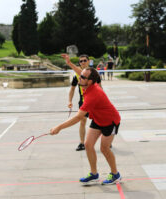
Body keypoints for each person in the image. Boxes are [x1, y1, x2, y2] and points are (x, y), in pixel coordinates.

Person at [52, 54, 121, 185]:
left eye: (83, 77)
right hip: (98, 119)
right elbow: (80, 72)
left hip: (110, 121)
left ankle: (115, 174)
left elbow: (78, 117)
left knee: (104, 149)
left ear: (89, 81)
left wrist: (58, 128)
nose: (80, 76)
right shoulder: (88, 82)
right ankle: (94, 174)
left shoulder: (92, 95)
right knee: (88, 145)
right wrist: (69, 63)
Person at [68, 55, 102, 151]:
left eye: (84, 60)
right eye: (81, 61)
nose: (82, 62)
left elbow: (100, 88)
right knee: (82, 121)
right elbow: (72, 89)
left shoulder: (94, 74)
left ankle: (106, 141)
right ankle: (82, 143)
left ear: (88, 61)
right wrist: (70, 101)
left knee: (101, 121)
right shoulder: (77, 76)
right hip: (84, 101)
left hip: (95, 102)